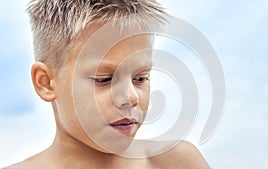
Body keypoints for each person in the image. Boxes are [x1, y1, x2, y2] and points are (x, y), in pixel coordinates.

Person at [4, 0, 210, 168]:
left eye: (140, 78)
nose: (131, 97)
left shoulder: (177, 163)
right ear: (47, 83)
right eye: (104, 79)